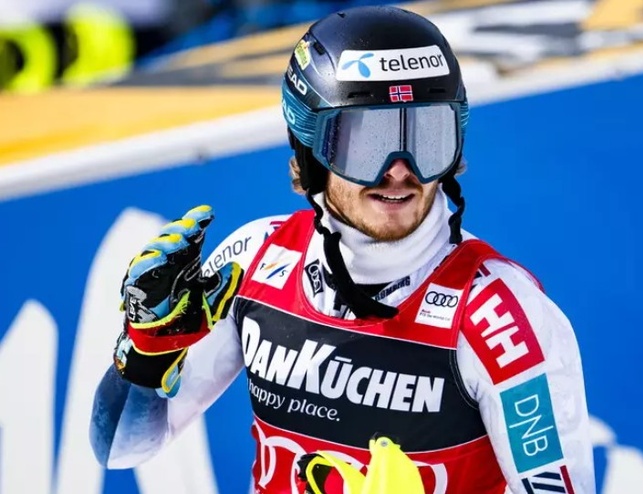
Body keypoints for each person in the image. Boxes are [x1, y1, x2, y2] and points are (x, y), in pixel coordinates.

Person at [89, 5, 595, 494]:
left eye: (426, 138)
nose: (399, 171)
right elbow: (119, 450)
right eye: (368, 143)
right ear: (311, 150)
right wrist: (145, 352)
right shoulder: (255, 259)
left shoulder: (500, 318)